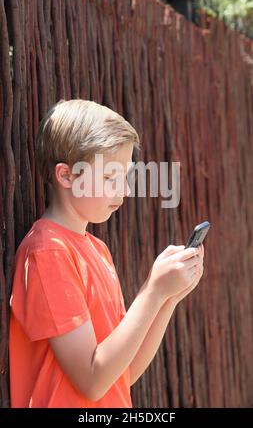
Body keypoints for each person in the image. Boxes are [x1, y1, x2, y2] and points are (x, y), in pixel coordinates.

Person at [9, 99, 204, 408]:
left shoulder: (96, 249)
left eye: (125, 177)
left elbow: (121, 373)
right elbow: (92, 380)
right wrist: (152, 292)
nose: (123, 190)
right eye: (110, 178)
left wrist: (169, 298)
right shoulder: (48, 252)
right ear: (66, 176)